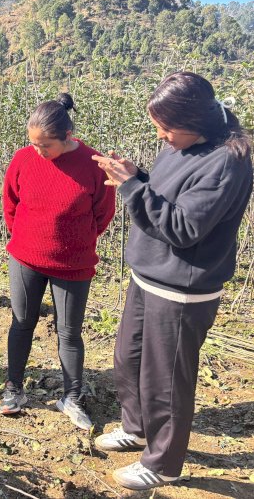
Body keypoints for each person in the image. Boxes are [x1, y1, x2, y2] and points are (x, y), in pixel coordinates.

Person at [91, 72, 253, 491]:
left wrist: (131, 190)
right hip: (148, 276)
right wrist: (137, 176)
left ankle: (163, 463)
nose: (162, 136)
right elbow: (166, 195)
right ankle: (137, 427)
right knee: (129, 360)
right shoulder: (184, 146)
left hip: (183, 290)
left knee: (167, 379)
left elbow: (183, 228)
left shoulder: (226, 161)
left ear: (196, 121)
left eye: (167, 128)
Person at [0, 93, 115, 431]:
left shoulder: (93, 165)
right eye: (33, 143)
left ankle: (72, 398)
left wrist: (74, 244)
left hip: (73, 265)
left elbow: (102, 215)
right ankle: (13, 389)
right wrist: (26, 238)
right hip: (26, 259)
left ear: (68, 137)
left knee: (70, 333)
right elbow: (11, 202)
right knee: (22, 322)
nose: (38, 151)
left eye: (45, 145)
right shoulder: (23, 159)